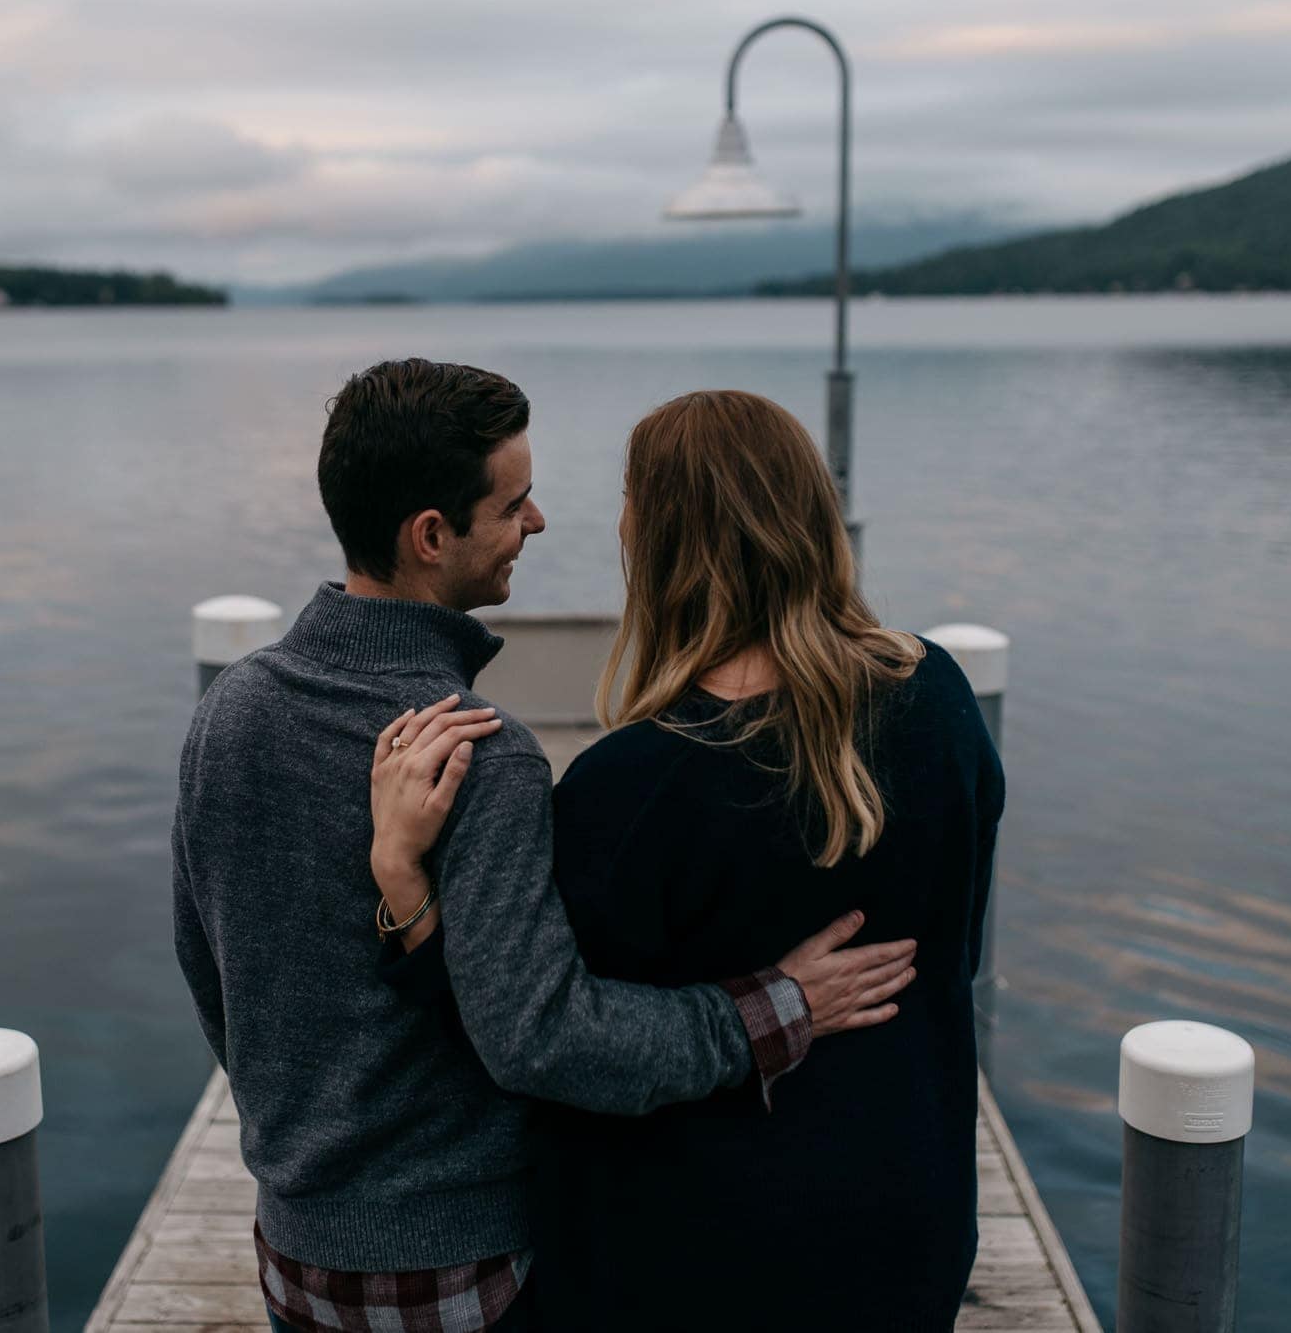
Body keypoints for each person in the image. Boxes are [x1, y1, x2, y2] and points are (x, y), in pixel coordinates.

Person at [171, 360, 920, 1333]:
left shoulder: (230, 709)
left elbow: (205, 966)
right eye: (513, 502)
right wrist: (775, 1008)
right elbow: (546, 1039)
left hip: (292, 1246)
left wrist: (298, 1142)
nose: (537, 522)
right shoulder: (483, 755)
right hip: (456, 1262)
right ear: (430, 535)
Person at [369, 389, 1004, 1330]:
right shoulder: (941, 696)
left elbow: (534, 1042)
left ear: (663, 539)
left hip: (698, 1264)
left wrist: (407, 891)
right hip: (910, 1223)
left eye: (630, 497)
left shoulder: (635, 787)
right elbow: (962, 948)